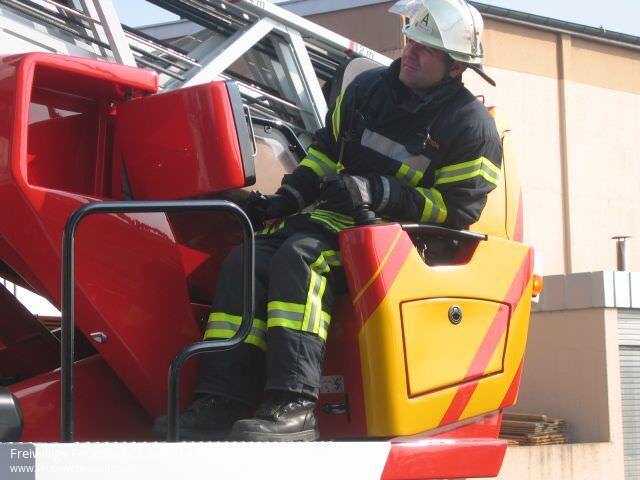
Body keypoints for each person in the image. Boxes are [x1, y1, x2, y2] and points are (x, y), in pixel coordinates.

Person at [153, 0, 502, 442]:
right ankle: (224, 398)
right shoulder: (367, 89)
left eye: (427, 48)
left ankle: (294, 404)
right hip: (333, 223)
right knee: (246, 260)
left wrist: (379, 192)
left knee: (301, 259)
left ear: (456, 67)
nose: (410, 51)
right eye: (411, 39)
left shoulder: (471, 126)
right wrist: (286, 199)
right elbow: (324, 154)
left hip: (400, 244)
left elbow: (457, 210)